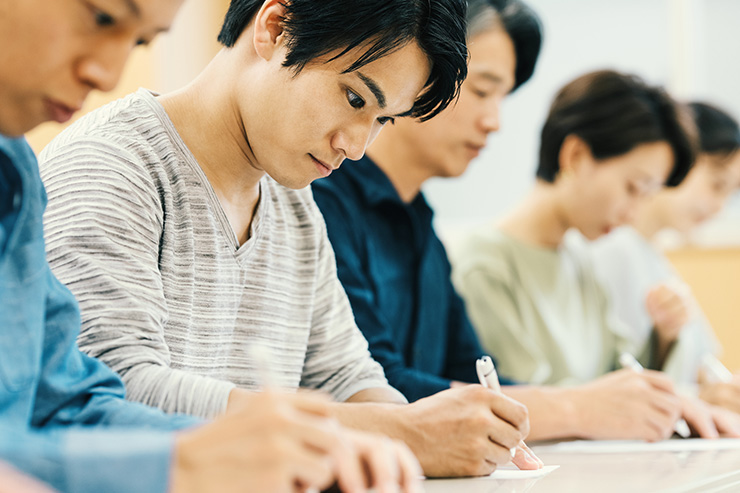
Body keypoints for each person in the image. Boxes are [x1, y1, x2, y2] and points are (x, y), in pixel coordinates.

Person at [39, 0, 532, 478]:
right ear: (275, 28)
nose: (357, 147)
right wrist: (401, 432)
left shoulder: (294, 205)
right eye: (355, 98)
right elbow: (109, 393)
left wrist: (412, 438)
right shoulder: (109, 167)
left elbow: (347, 379)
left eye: (382, 120)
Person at [451, 69, 740, 438]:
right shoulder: (483, 263)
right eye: (633, 188)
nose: (634, 213)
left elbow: (620, 371)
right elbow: (519, 398)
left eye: (647, 195)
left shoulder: (580, 259)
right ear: (575, 156)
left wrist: (663, 337)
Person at [592, 101, 740, 412]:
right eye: (717, 185)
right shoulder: (615, 249)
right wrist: (700, 399)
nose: (718, 207)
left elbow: (705, 365)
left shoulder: (653, 257)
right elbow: (612, 379)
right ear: (677, 160)